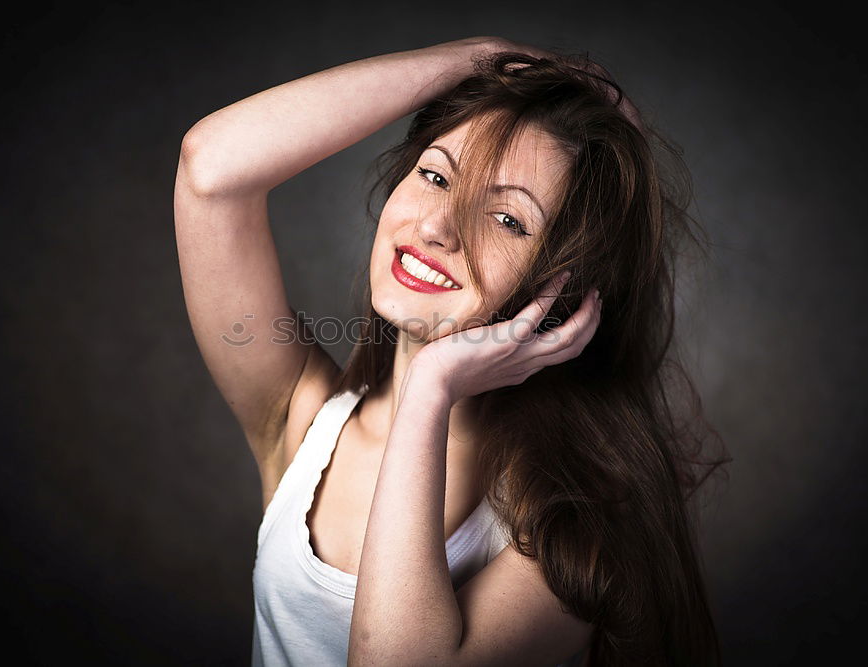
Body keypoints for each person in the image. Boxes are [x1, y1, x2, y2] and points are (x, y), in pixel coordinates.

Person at [174, 36, 726, 666]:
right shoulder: (303, 418)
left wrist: (431, 391)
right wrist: (482, 57)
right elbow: (210, 167)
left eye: (508, 219)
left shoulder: (576, 523)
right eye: (435, 175)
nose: (437, 227)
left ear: (565, 289)